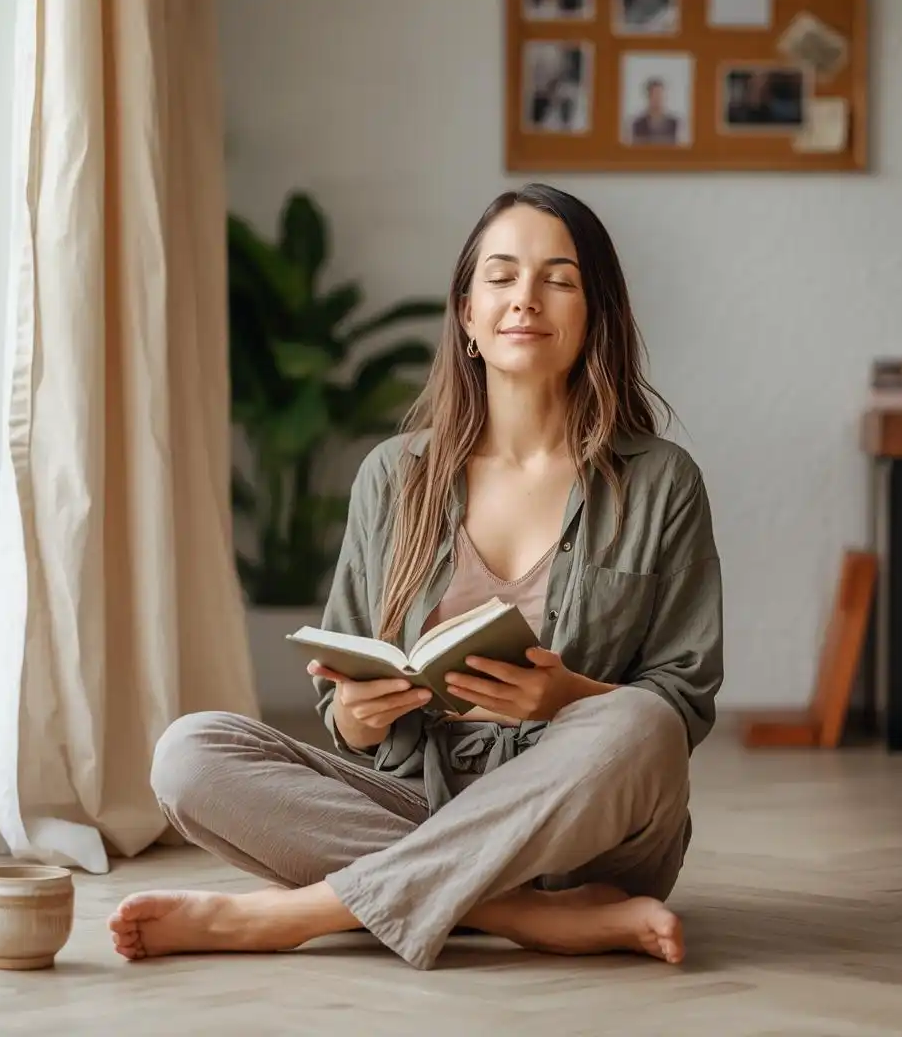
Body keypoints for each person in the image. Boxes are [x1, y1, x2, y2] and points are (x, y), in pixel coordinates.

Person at [108, 183, 724, 972]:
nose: (525, 299)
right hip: (419, 796)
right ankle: (530, 917)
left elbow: (683, 700)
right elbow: (343, 704)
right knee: (188, 754)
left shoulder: (662, 481)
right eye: (500, 277)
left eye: (558, 279)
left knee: (641, 726)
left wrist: (564, 696)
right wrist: (361, 717)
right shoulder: (393, 475)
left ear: (595, 314)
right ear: (467, 314)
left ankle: (298, 915)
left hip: (589, 828)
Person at [629, 77, 680, 144]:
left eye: (660, 94)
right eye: (654, 95)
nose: (657, 99)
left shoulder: (674, 123)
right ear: (648, 97)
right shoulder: (638, 124)